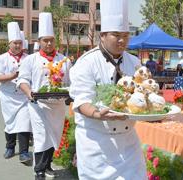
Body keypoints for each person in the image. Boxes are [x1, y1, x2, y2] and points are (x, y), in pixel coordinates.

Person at [69, 0, 147, 179]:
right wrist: (97, 114)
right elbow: (81, 100)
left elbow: (141, 93)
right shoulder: (86, 62)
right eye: (116, 35)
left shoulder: (134, 62)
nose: (122, 40)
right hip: (97, 144)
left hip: (128, 142)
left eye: (126, 35)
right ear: (102, 35)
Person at [17, 12, 71, 179]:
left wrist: (70, 95)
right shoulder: (30, 60)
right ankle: (38, 170)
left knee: (54, 136)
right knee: (41, 137)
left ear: (55, 41)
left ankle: (47, 166)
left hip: (58, 106)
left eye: (51, 40)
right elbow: (23, 81)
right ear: (39, 41)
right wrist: (29, 93)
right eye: (45, 40)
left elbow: (71, 82)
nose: (48, 43)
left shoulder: (65, 61)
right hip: (38, 105)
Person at [0, 22, 32, 164]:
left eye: (19, 43)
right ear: (10, 43)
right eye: (15, 43)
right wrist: (14, 75)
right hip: (8, 97)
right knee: (10, 123)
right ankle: (10, 147)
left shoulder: (29, 58)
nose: (17, 45)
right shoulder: (1, 58)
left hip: (23, 96)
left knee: (24, 123)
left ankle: (24, 152)